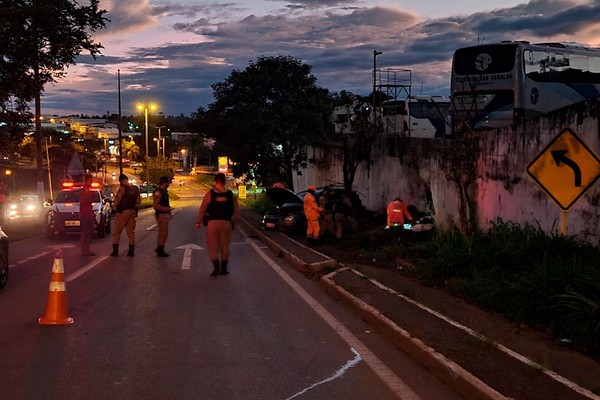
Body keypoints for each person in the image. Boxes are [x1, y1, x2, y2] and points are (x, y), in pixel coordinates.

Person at [196, 173, 240, 277]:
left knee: (212, 246)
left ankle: (216, 268)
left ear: (215, 182)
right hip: (226, 223)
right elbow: (237, 211)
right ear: (224, 182)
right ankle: (224, 269)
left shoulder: (210, 194)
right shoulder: (230, 195)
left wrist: (198, 222)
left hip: (212, 223)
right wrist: (236, 222)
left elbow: (202, 209)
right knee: (225, 247)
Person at [110, 174, 141, 257]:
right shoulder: (135, 189)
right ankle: (131, 252)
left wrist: (113, 207)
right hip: (131, 213)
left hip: (122, 213)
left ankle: (115, 252)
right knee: (131, 233)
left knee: (117, 232)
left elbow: (117, 199)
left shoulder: (123, 188)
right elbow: (138, 202)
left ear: (121, 181)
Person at [153, 176, 174, 257]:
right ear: (164, 183)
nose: (168, 184)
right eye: (167, 182)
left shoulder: (164, 191)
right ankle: (160, 249)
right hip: (161, 214)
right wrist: (166, 209)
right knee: (162, 233)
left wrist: (168, 211)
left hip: (165, 214)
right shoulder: (158, 192)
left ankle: (160, 248)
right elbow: (156, 206)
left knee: (165, 233)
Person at [79, 174, 96, 256]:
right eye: (90, 180)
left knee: (89, 232)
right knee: (86, 232)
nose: (91, 182)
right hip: (85, 214)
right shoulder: (84, 189)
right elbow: (85, 200)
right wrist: (90, 198)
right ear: (86, 180)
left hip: (88, 213)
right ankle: (84, 250)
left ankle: (86, 250)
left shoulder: (88, 189)